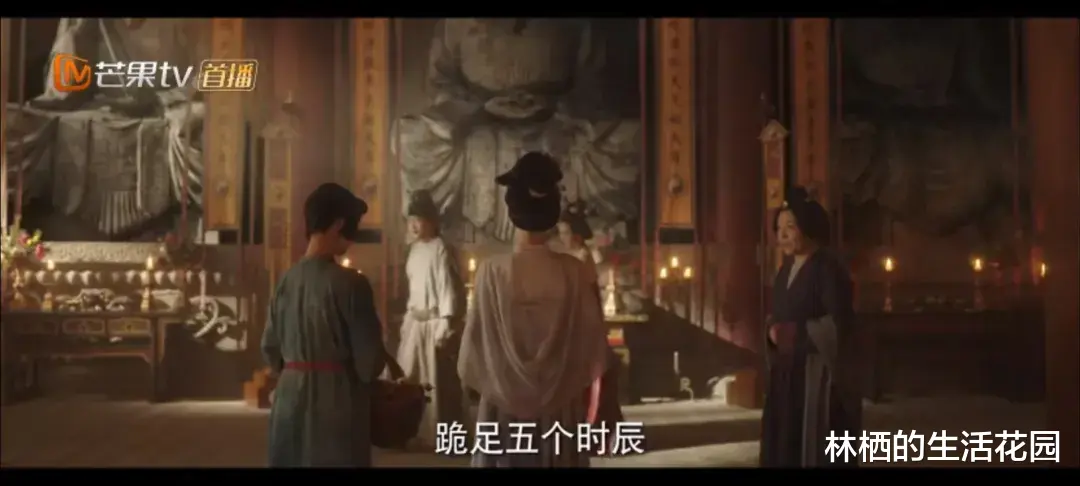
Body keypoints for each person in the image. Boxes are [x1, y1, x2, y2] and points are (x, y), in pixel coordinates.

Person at [458, 152, 610, 468]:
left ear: (511, 210)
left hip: (502, 404)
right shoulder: (573, 271)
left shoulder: (491, 271)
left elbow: (475, 347)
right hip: (560, 405)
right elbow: (592, 344)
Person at [262, 182, 395, 467]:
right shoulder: (352, 284)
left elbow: (270, 347)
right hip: (336, 402)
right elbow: (369, 363)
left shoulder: (285, 281)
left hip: (288, 397)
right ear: (338, 225)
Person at [759, 186, 862, 467]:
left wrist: (795, 334)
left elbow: (840, 324)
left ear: (807, 227)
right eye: (779, 228)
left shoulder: (828, 269)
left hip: (817, 375)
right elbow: (777, 316)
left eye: (790, 227)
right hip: (786, 373)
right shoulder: (785, 270)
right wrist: (772, 330)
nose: (782, 235)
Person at [396, 189, 467, 449]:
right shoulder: (414, 251)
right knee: (409, 378)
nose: (415, 226)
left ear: (431, 222)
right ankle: (411, 431)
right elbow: (414, 288)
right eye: (411, 220)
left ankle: (440, 436)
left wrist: (445, 325)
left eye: (420, 220)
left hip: (434, 324)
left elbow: (448, 289)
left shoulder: (440, 249)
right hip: (415, 323)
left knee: (436, 383)